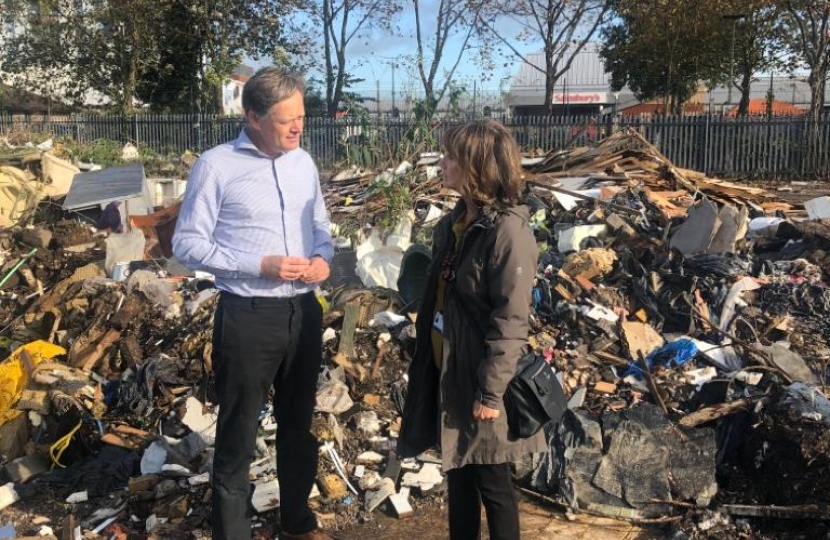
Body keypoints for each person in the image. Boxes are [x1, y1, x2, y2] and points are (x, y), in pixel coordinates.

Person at [172, 67, 334, 540]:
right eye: (287, 120)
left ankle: (297, 522)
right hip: (247, 316)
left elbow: (320, 223)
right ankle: (234, 532)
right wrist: (255, 264)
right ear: (253, 117)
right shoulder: (216, 165)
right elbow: (187, 244)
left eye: (301, 117)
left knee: (298, 426)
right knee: (239, 433)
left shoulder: (303, 163)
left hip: (303, 311)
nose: (297, 128)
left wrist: (323, 256)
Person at [398, 120, 546, 540]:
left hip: (482, 379)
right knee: (458, 475)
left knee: (492, 483)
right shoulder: (455, 223)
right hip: (450, 371)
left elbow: (511, 319)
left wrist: (491, 392)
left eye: (451, 157)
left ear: (476, 167)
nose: (441, 163)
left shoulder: (508, 232)